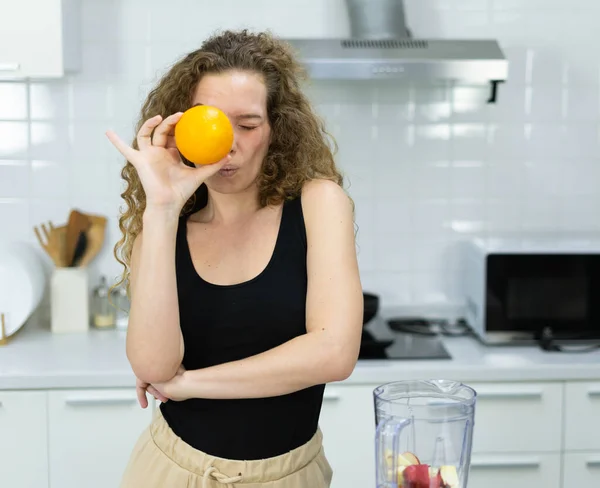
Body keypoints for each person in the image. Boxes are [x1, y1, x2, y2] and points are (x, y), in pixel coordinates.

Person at [106, 28, 363, 488]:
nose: (228, 146)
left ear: (276, 128)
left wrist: (190, 385)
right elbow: (153, 368)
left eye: (247, 125)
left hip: (290, 476)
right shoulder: (165, 227)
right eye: (210, 125)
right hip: (169, 470)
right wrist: (162, 209)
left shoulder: (318, 204)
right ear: (180, 127)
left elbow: (333, 352)